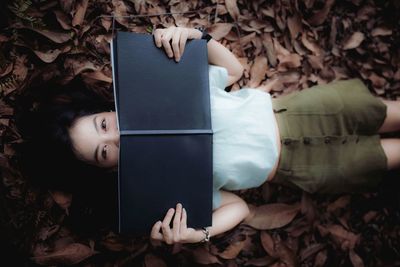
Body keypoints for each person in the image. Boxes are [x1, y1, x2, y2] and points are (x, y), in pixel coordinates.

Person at [18, 26, 400, 245]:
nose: (116, 138)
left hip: (299, 111)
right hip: (304, 168)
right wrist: (195, 233)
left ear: (109, 109)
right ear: (108, 170)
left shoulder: (170, 93)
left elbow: (232, 71)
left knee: (378, 112)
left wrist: (194, 37)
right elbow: (240, 208)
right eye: (104, 152)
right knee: (382, 155)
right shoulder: (170, 185)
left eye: (104, 125)